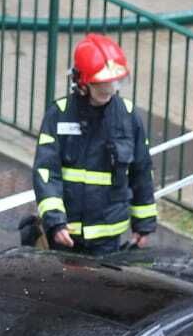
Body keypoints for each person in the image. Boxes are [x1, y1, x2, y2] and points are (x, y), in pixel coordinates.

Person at [30, 32, 158, 254]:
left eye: (112, 83)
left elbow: (142, 172)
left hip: (106, 237)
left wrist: (143, 225)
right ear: (82, 82)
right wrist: (55, 222)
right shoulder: (59, 115)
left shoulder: (127, 116)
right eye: (101, 85)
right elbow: (46, 172)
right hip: (66, 233)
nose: (108, 90)